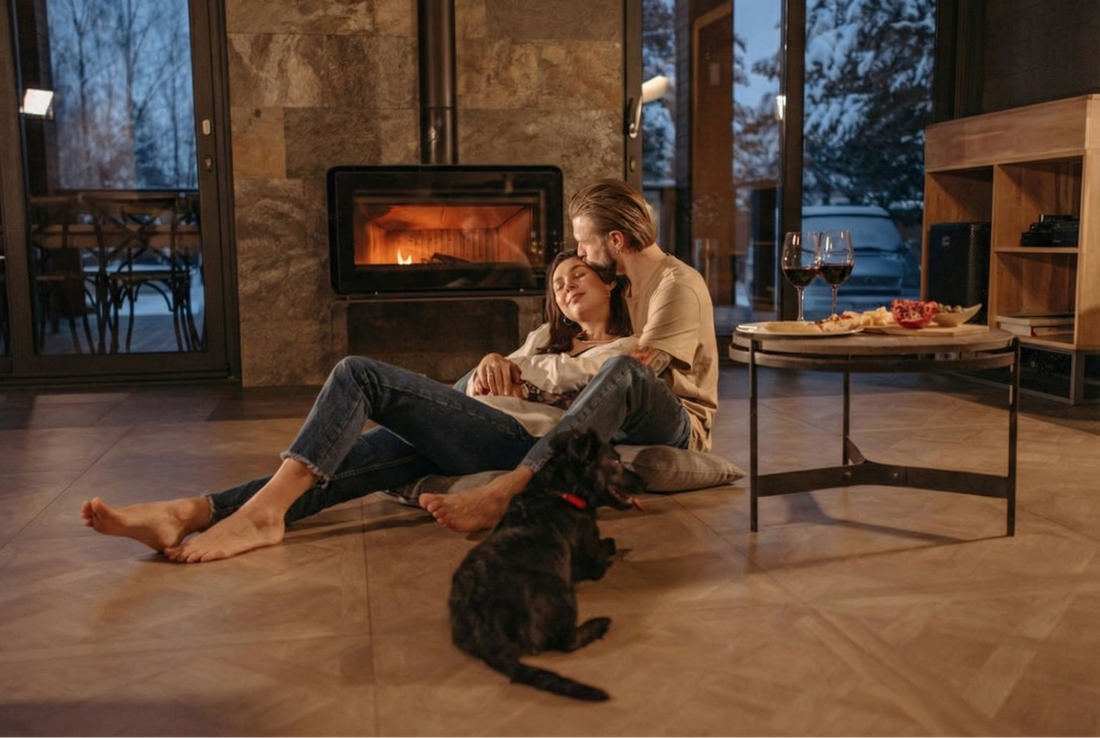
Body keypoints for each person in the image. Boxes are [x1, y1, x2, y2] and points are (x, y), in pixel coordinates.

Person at [80, 251, 635, 562]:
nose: (565, 289)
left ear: (610, 283)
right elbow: (495, 372)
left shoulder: (624, 351)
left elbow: (597, 407)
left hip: (518, 441)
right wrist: (494, 356)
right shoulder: (542, 338)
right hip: (472, 423)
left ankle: (262, 515)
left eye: (577, 275)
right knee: (340, 468)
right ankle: (187, 514)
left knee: (358, 374)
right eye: (557, 284)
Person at [420, 178, 719, 532]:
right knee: (466, 384)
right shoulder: (624, 288)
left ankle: (512, 488)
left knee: (625, 370)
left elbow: (637, 375)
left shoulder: (676, 286)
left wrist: (530, 383)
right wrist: (496, 364)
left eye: (584, 243)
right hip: (617, 416)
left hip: (677, 419)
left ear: (616, 241)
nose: (579, 253)